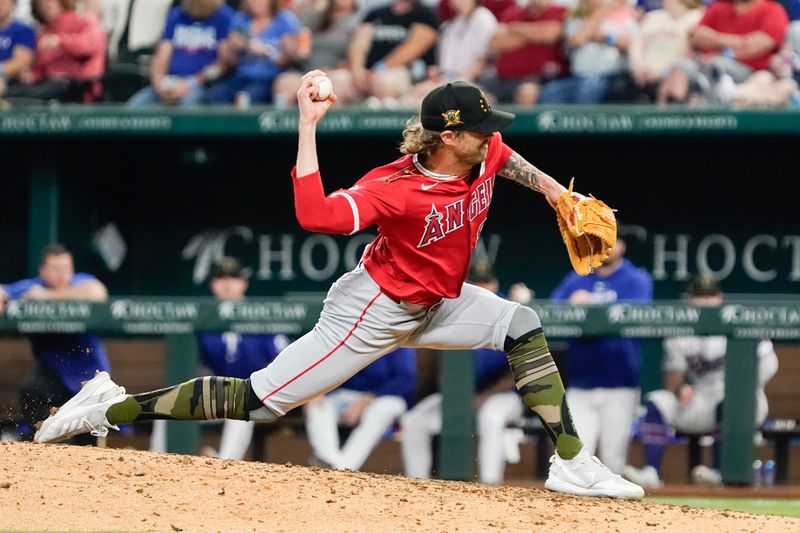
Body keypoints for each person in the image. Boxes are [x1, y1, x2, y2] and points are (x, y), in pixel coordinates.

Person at [35, 71, 644, 499]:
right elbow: (315, 215)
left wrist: (558, 193)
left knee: (523, 324)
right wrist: (307, 126)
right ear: (449, 137)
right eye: (480, 128)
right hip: (373, 309)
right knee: (256, 400)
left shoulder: (483, 152)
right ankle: (110, 405)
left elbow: (509, 159)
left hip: (440, 301)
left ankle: (572, 462)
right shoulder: (393, 187)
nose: (492, 133)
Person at [623, 275, 779, 488]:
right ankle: (652, 471)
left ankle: (717, 469)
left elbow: (770, 365)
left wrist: (742, 386)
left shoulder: (739, 320)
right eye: (699, 296)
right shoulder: (681, 330)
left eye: (710, 296)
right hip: (702, 396)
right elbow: (673, 375)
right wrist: (680, 389)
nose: (705, 302)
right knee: (658, 400)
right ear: (688, 299)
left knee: (728, 402)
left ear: (720, 298)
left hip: (744, 398)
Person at [401, 265, 531, 484]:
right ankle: (417, 484)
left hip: (503, 397)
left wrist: (484, 396)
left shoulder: (507, 312)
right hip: (458, 395)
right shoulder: (451, 309)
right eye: (474, 283)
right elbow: (429, 368)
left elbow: (519, 371)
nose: (481, 288)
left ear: (494, 285)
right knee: (414, 421)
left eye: (485, 283)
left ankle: (491, 485)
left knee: (491, 417)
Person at [150, 257, 290, 459]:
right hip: (215, 394)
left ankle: (225, 466)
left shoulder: (261, 314)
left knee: (244, 405)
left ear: (244, 283)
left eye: (233, 278)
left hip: (255, 395)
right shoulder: (202, 317)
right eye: (221, 278)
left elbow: (282, 359)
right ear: (213, 284)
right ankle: (156, 462)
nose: (227, 284)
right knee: (167, 404)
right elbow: (189, 363)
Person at [550, 236, 653, 475]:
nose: (605, 248)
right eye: (599, 241)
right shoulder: (578, 277)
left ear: (622, 246)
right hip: (580, 383)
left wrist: (593, 304)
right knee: (575, 458)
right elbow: (552, 308)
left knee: (612, 461)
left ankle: (612, 513)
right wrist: (570, 305)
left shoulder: (636, 278)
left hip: (620, 383)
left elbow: (640, 312)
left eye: (611, 241)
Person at [0, 243, 109, 442]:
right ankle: (43, 446)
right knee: (32, 390)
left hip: (90, 377)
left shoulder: (81, 282)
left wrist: (49, 297)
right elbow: (5, 290)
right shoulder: (33, 287)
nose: (61, 274)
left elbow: (98, 292)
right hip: (53, 375)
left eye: (66, 268)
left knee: (88, 446)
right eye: (55, 268)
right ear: (43, 271)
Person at [656, 0, 788, 105]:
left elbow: (755, 47)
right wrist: (733, 41)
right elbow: (695, 36)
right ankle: (667, 121)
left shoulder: (773, 9)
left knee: (716, 65)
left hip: (748, 71)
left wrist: (714, 40)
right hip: (703, 64)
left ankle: (710, 121)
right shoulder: (719, 7)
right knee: (681, 66)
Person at [305, 346, 416, 470]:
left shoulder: (398, 338)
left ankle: (344, 468)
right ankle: (329, 460)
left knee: (382, 410)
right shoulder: (344, 335)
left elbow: (405, 380)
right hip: (344, 396)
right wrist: (316, 391)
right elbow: (324, 369)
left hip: (384, 397)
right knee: (318, 405)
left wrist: (365, 400)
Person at [127, 0, 234, 107]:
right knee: (135, 105)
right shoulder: (177, 15)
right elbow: (162, 55)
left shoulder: (225, 17)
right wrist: (159, 84)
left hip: (203, 85)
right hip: (171, 82)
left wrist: (189, 83)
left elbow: (221, 65)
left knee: (188, 105)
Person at [3, 0, 106, 103]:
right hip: (48, 83)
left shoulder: (84, 20)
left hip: (77, 84)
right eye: (41, 4)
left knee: (28, 94)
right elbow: (40, 66)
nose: (45, 6)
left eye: (50, 1)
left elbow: (92, 44)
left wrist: (62, 41)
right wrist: (32, 75)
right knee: (13, 91)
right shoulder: (43, 33)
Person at [204, 0, 305, 105]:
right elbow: (230, 60)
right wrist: (236, 46)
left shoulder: (286, 20)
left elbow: (292, 58)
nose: (254, 3)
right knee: (215, 95)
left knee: (246, 98)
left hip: (270, 76)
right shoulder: (241, 19)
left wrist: (279, 51)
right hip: (242, 74)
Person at [538, 0, 638, 104]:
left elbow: (629, 43)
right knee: (550, 92)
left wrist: (603, 37)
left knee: (589, 90)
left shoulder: (623, 19)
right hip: (577, 78)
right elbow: (577, 39)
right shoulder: (576, 20)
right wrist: (601, 12)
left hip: (609, 77)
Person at [344, 0, 438, 105]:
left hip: (404, 72)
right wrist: (358, 71)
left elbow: (415, 47)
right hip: (368, 73)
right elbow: (359, 43)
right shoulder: (376, 14)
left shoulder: (424, 14)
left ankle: (383, 117)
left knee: (384, 81)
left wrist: (381, 68)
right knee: (339, 81)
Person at [483, 0, 568, 105]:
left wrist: (514, 29)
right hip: (503, 78)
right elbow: (495, 42)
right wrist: (535, 35)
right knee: (478, 94)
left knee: (527, 93)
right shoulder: (512, 13)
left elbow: (550, 34)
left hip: (541, 78)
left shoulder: (559, 11)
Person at [0, 0, 35, 98]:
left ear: (13, 5)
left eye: (3, 3)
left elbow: (21, 62)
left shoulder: (22, 30)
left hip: (9, 80)